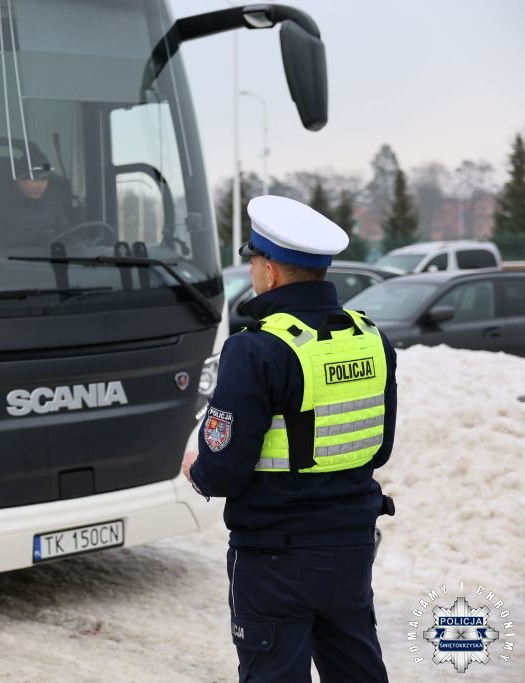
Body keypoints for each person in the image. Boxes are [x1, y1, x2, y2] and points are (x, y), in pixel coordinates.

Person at [183, 195, 397, 682]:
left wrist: (198, 469)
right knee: (357, 669)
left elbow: (224, 472)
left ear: (271, 272)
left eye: (255, 261)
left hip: (275, 557)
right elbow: (377, 447)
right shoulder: (370, 338)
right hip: (349, 549)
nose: (254, 271)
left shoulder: (256, 348)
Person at [0, 154, 74, 248]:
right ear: (20, 179)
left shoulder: (54, 201)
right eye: (35, 180)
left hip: (51, 261)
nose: (40, 186)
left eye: (44, 180)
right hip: (14, 263)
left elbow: (68, 239)